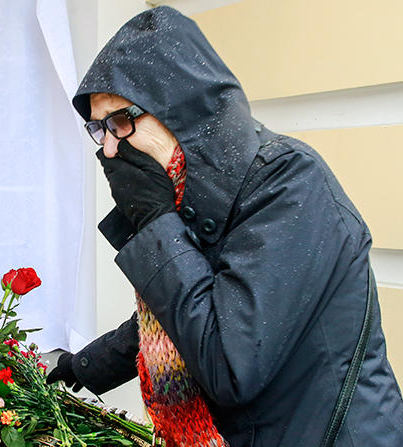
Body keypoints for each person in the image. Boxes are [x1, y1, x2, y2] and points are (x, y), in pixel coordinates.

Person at [46, 6, 403, 447]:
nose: (110, 150)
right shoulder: (202, 194)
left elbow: (229, 364)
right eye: (100, 129)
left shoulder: (289, 183)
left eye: (120, 122)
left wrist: (155, 223)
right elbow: (179, 314)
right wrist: (86, 365)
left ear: (177, 109)